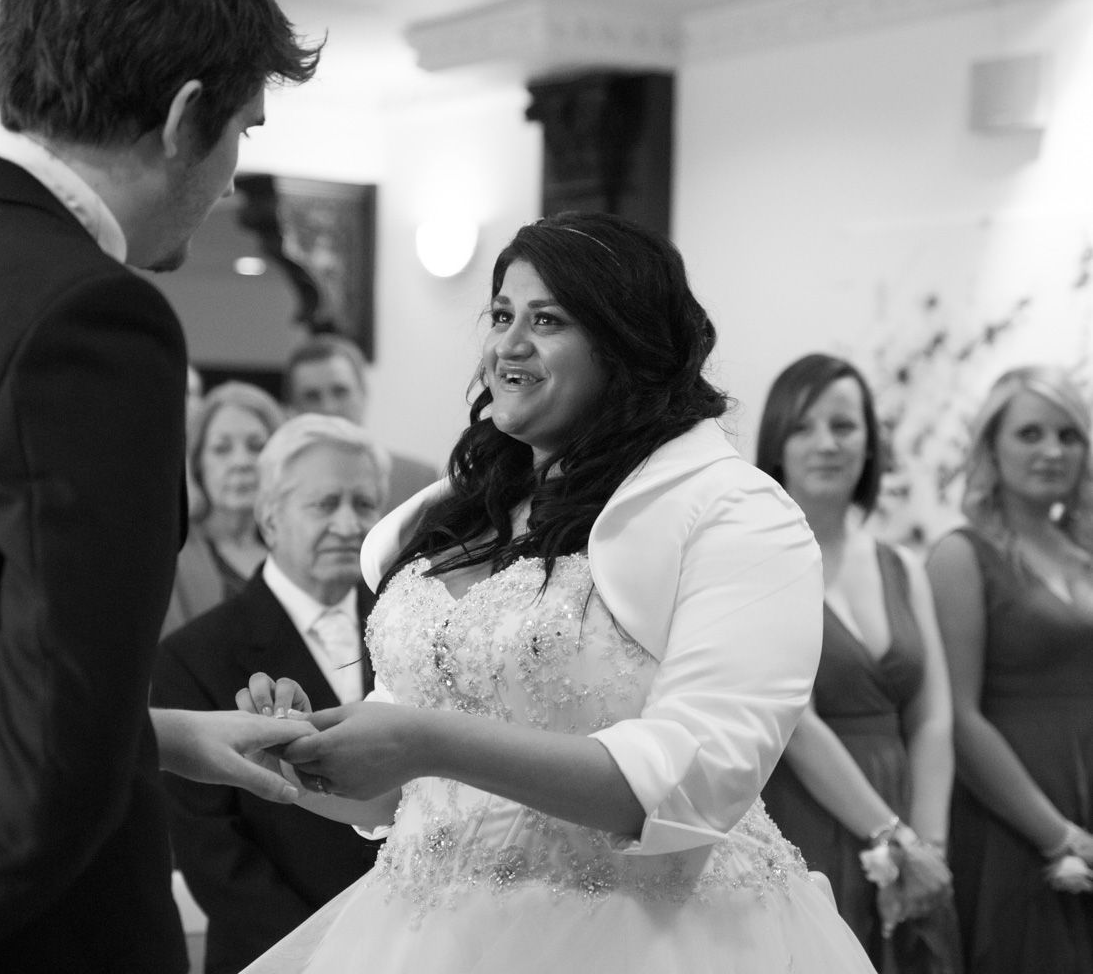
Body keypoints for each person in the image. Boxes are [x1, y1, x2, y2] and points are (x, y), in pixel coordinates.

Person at [237, 211, 875, 973]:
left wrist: (425, 741)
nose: (508, 344)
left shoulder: (732, 513)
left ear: (626, 344)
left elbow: (700, 780)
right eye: (502, 315)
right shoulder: (459, 514)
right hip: (425, 935)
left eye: (547, 320)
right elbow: (398, 797)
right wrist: (304, 762)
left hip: (649, 935)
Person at [0, 0, 318, 970]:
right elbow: (51, 775)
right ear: (185, 115)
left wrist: (162, 735)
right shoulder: (89, 318)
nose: (231, 174)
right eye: (242, 130)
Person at [153, 414, 389, 973]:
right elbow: (213, 853)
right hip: (279, 954)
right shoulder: (194, 655)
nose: (348, 522)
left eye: (364, 503)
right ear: (269, 518)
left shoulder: (407, 627)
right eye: (324, 503)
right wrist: (332, 955)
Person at [756, 354, 960, 972]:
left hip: (909, 814)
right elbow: (796, 720)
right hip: (806, 810)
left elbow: (934, 719)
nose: (826, 443)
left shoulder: (902, 566)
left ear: (871, 443)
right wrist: (888, 836)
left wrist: (929, 844)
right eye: (803, 427)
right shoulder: (760, 559)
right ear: (777, 446)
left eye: (844, 426)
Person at [927, 366, 1093, 974]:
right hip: (1014, 820)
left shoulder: (1087, 555)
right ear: (992, 447)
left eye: (1068, 435)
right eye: (1030, 434)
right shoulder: (960, 555)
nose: (1052, 451)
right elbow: (960, 719)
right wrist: (1059, 836)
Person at [164, 380, 287, 637]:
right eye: (221, 449)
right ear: (197, 463)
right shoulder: (170, 553)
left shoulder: (295, 549)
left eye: (256, 447)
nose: (240, 462)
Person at [285, 334, 438, 513]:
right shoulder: (279, 486)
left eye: (340, 391)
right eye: (312, 396)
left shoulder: (419, 482)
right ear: (290, 410)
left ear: (363, 394)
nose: (329, 408)